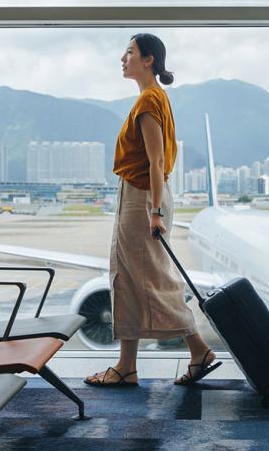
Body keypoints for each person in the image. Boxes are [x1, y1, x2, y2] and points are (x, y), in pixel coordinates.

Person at [84, 33, 220, 387]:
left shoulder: (148, 101)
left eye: (129, 52)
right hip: (143, 196)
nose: (122, 58)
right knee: (129, 278)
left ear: (148, 60)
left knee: (150, 278)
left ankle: (196, 349)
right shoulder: (154, 97)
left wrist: (155, 211)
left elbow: (156, 161)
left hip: (143, 197)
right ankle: (128, 365)